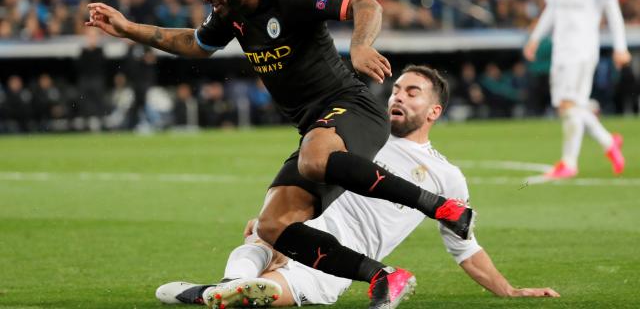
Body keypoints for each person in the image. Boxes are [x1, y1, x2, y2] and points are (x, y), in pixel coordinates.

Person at [86, 0, 474, 307]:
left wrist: (359, 46)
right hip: (315, 129)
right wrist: (127, 28)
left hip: (353, 110)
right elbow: (195, 43)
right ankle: (383, 277)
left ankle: (441, 207)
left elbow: (364, 3)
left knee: (314, 157)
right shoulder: (230, 15)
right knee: (273, 225)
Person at [156, 66, 560, 308]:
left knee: (260, 293)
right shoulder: (360, 134)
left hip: (334, 262)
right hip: (296, 237)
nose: (398, 97)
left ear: (434, 111)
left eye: (412, 92)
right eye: (397, 89)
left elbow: (465, 247)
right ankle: (224, 290)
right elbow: (302, 177)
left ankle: (221, 292)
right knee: (259, 235)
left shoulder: (445, 176)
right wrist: (276, 218)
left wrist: (508, 291)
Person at [523, 0, 631, 180]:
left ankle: (569, 163)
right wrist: (535, 38)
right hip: (560, 49)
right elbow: (551, 10)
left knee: (568, 104)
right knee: (570, 107)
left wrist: (620, 47)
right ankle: (609, 142)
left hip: (583, 49)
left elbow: (613, 11)